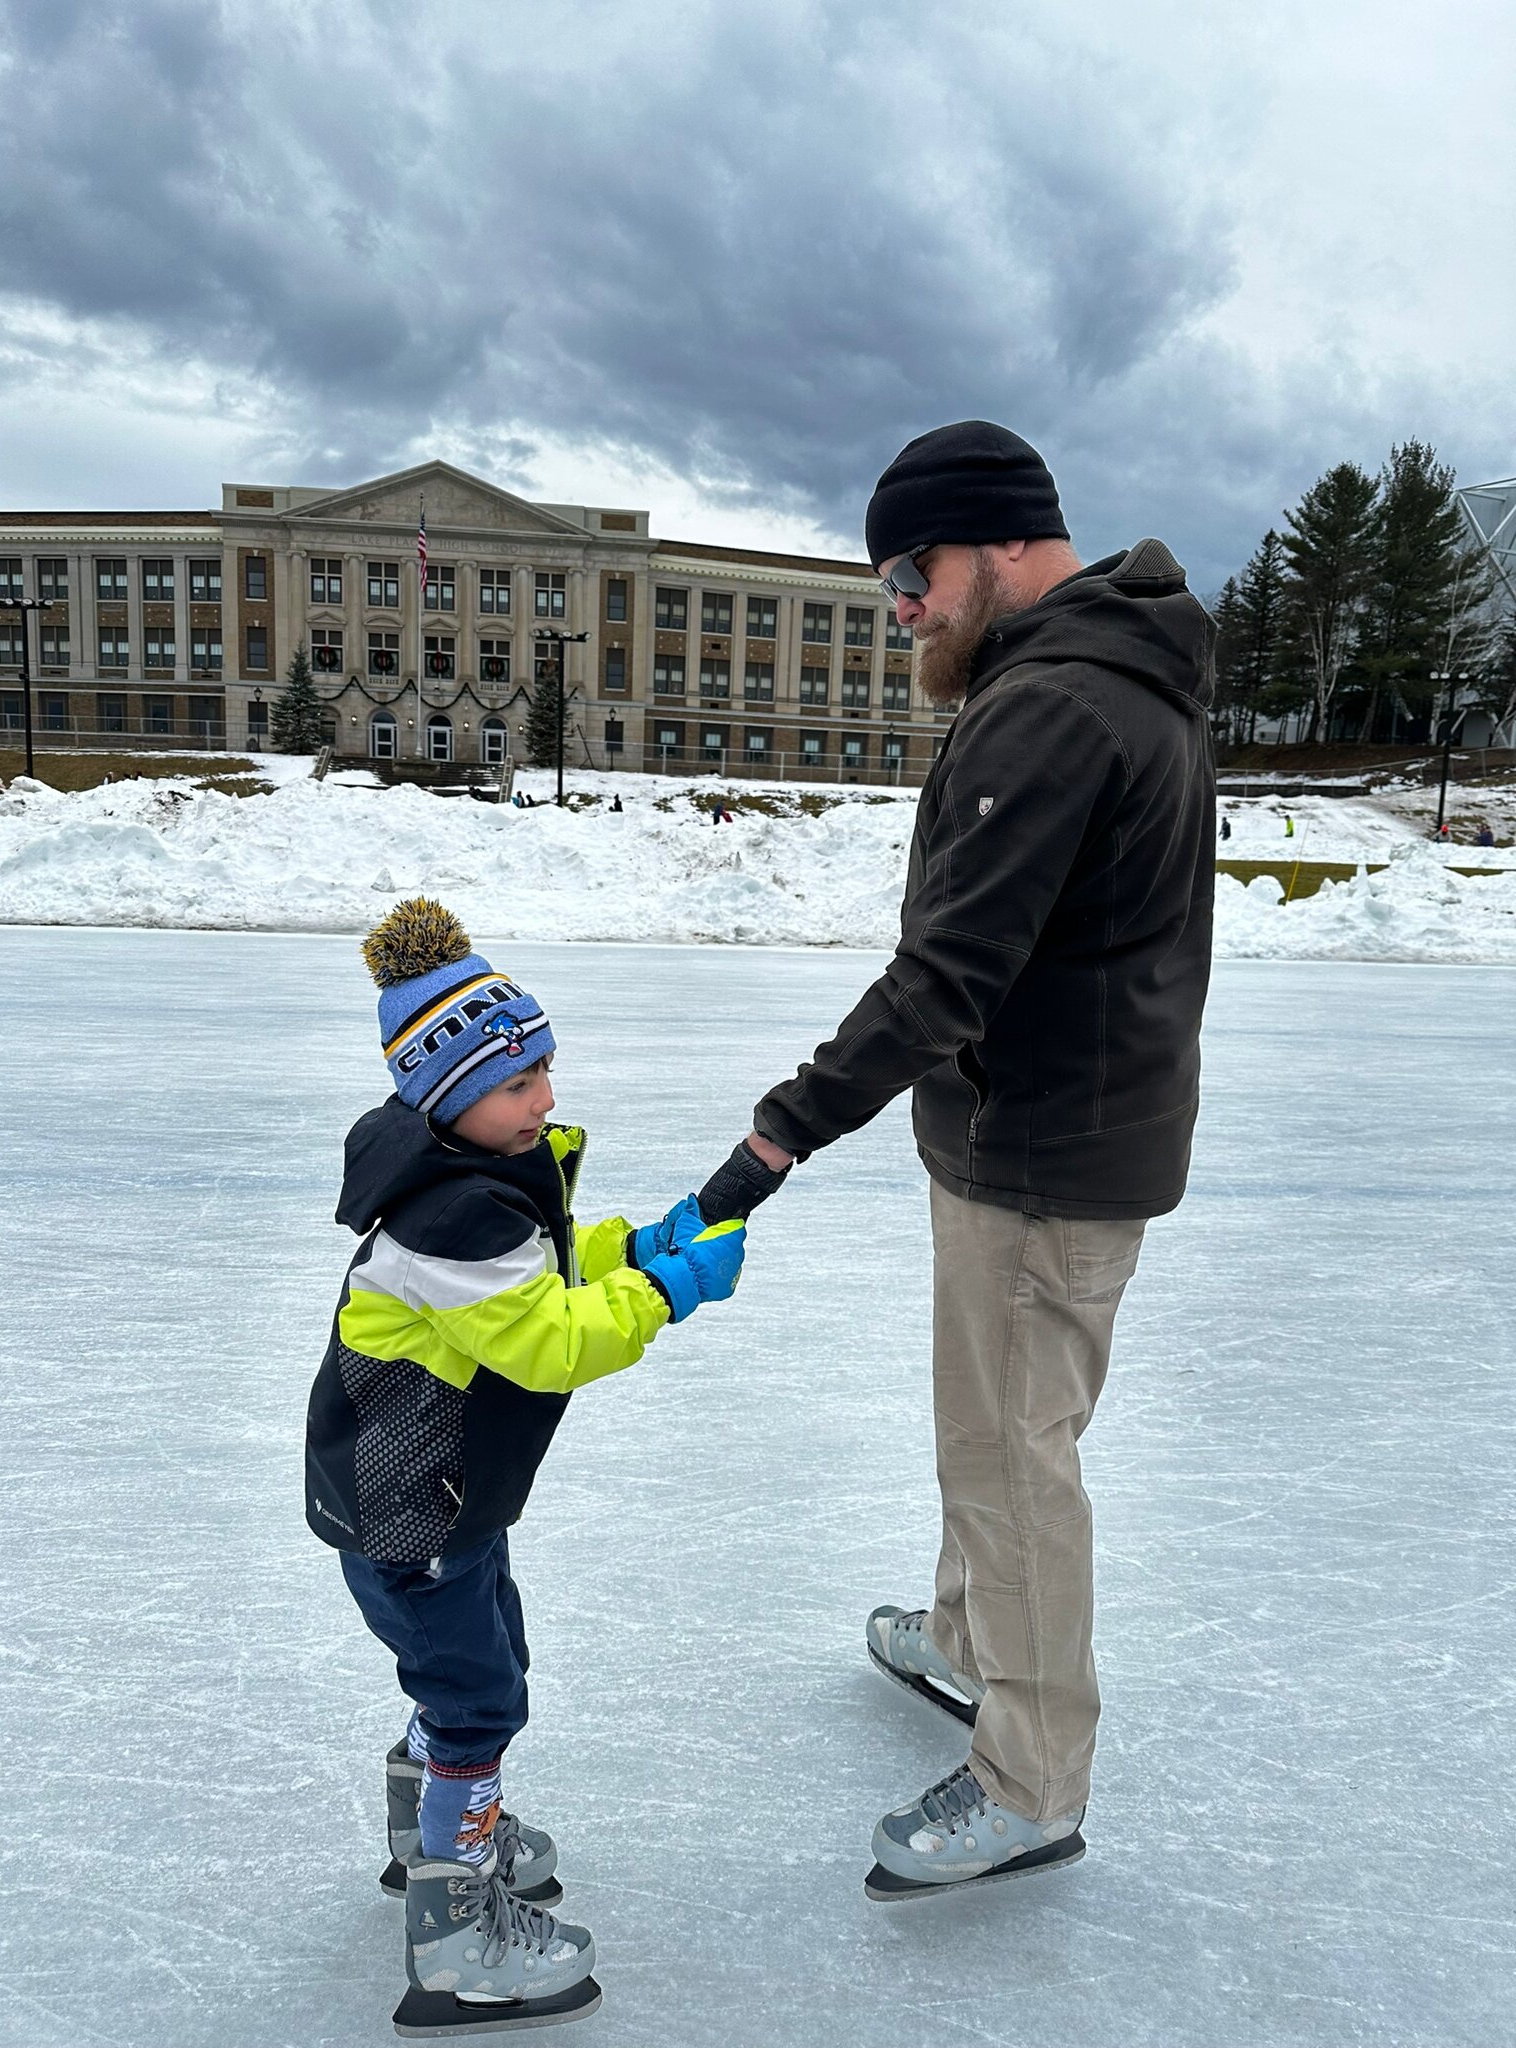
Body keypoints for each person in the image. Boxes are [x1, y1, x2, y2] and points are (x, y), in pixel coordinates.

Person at [697, 420, 1215, 1901]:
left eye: (911, 574)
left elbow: (947, 976)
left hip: (1040, 1152)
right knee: (999, 1430)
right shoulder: (1118, 677)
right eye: (886, 587)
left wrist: (783, 1127)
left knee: (1009, 1458)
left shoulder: (1053, 706)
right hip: (1064, 1127)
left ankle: (1032, 1780)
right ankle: (972, 1644)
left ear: (997, 544)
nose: (903, 610)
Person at [305, 897, 746, 2028]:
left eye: (545, 1066)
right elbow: (549, 1339)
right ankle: (456, 1934)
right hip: (415, 1513)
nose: (545, 1095)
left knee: (475, 1663)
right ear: (449, 1097)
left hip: (438, 1502)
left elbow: (544, 1261)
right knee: (477, 1696)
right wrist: (667, 1292)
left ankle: (431, 1829)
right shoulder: (448, 1223)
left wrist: (634, 1244)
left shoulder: (475, 1185)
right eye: (519, 1083)